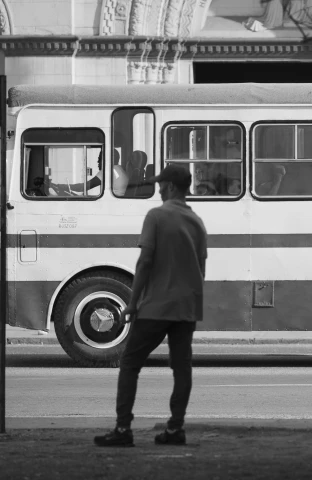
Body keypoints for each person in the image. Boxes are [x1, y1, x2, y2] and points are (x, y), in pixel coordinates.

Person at [94, 164, 208, 447]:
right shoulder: (197, 222)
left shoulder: (156, 216)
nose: (158, 189)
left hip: (157, 305)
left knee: (131, 362)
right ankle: (175, 429)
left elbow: (145, 262)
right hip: (186, 307)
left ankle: (123, 429)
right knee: (182, 368)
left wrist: (132, 304)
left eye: (160, 185)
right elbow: (201, 266)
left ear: (169, 186)